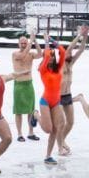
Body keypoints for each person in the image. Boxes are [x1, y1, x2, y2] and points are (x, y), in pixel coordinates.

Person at [58, 25, 89, 155]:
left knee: (70, 123)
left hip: (68, 95)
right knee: (62, 122)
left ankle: (62, 140)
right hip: (58, 97)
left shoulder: (71, 64)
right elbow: (70, 48)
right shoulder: (60, 65)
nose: (70, 54)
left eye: (71, 54)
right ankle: (60, 146)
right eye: (68, 53)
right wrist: (79, 35)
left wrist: (85, 37)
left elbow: (81, 50)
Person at [37, 35, 68, 165]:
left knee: (56, 129)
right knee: (48, 129)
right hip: (45, 101)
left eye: (53, 57)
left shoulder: (58, 69)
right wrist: (46, 43)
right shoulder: (43, 70)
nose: (51, 58)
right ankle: (35, 115)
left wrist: (55, 42)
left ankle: (48, 156)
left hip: (56, 101)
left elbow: (63, 52)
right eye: (49, 56)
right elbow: (47, 56)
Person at [11, 33, 42, 142]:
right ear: (19, 44)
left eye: (25, 43)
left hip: (29, 84)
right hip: (19, 85)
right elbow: (22, 55)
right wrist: (30, 41)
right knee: (18, 111)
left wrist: (35, 41)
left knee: (30, 110)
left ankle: (31, 132)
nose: (24, 45)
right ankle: (19, 133)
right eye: (22, 43)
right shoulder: (15, 54)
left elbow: (40, 54)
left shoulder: (31, 54)